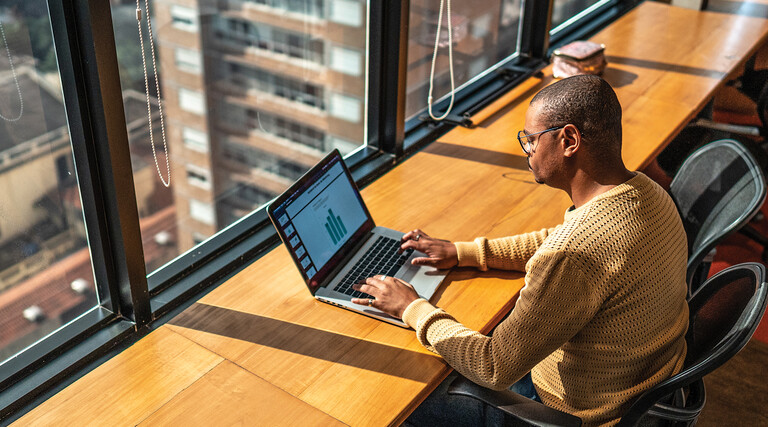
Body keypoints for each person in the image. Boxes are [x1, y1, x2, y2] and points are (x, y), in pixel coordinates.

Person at [351, 75, 689, 426]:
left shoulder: (572, 254)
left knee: (399, 394)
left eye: (531, 140)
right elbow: (555, 240)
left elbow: (493, 366)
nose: (527, 151)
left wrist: (412, 308)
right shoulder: (647, 192)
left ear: (568, 140)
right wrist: (464, 252)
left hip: (576, 413)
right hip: (643, 387)